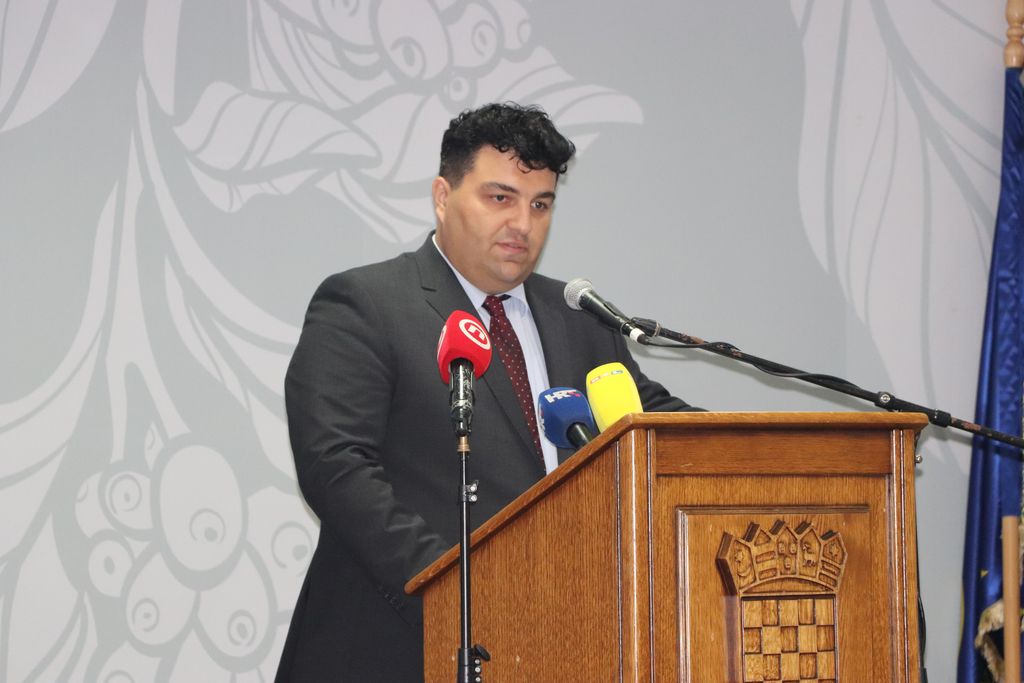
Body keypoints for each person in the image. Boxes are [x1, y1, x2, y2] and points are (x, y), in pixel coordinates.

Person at [275, 102, 693, 682]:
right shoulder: (367, 305)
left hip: (557, 645)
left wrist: (769, 451)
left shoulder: (578, 319)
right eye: (501, 198)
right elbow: (337, 467)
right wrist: (453, 588)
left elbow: (658, 426)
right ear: (442, 196)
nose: (523, 223)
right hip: (400, 648)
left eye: (540, 204)